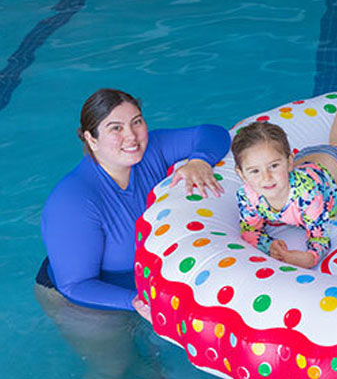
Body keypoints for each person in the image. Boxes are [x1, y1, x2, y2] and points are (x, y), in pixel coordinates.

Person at [35, 88, 230, 378]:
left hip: (137, 286)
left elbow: (214, 133)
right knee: (112, 369)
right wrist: (134, 302)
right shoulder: (73, 201)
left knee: (152, 368)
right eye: (115, 128)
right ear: (91, 138)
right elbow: (75, 285)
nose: (132, 136)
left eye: (137, 122)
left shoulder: (151, 149)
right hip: (83, 300)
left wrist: (199, 160)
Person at [233, 94, 337, 269]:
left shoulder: (307, 195)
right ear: (242, 174)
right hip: (307, 159)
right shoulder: (247, 196)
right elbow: (250, 230)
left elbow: (319, 237)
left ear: (289, 162)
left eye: (273, 166)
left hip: (335, 163)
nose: (266, 177)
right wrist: (269, 246)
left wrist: (310, 257)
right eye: (255, 171)